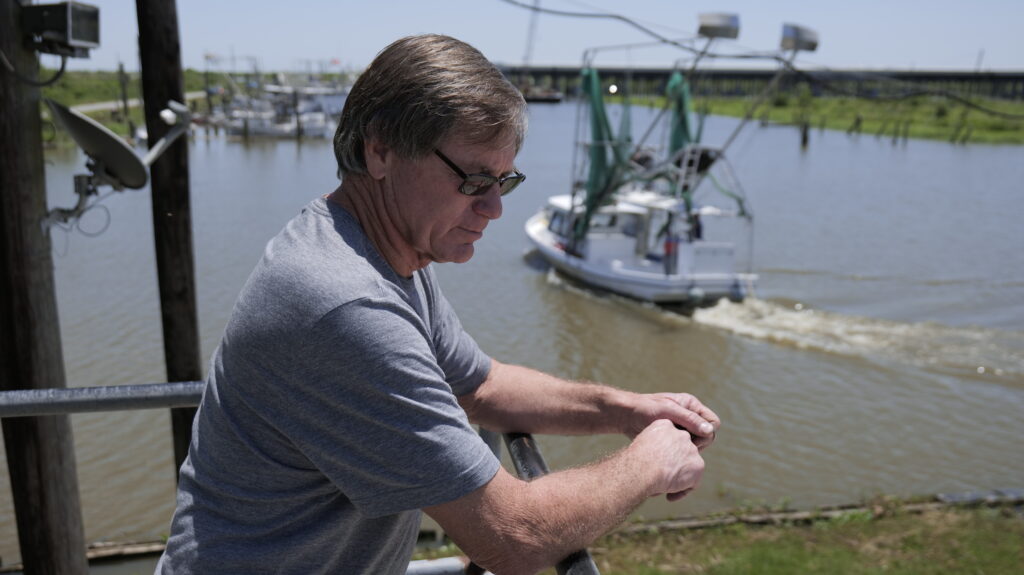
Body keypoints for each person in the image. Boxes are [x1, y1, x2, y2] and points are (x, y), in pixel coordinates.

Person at [156, 34, 719, 575]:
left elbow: (481, 386)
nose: (495, 208)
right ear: (380, 152)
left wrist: (627, 411)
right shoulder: (345, 304)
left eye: (505, 180)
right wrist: (650, 462)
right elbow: (513, 537)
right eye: (474, 180)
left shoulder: (382, 251)